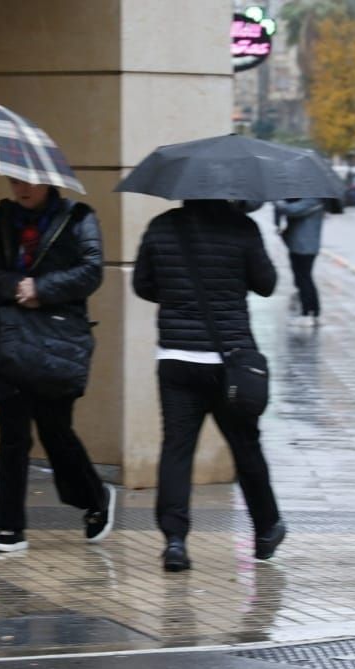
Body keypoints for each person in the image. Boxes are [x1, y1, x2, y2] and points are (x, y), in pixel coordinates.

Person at [132, 199, 285, 572]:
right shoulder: (241, 227)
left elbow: (143, 284)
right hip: (228, 362)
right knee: (245, 446)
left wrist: (177, 296)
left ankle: (174, 541)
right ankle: (266, 530)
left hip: (176, 359)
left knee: (177, 449)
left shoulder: (160, 226)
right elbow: (266, 285)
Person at [0, 179, 114, 553]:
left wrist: (43, 288)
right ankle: (9, 527)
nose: (21, 188)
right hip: (11, 337)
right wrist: (16, 285)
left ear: (49, 183)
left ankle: (96, 496)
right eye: (15, 181)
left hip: (57, 337)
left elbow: (91, 271)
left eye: (29, 183)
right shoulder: (1, 219)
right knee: (11, 432)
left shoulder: (78, 217)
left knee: (56, 431)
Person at [273, 197, 325, 326]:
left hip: (305, 246)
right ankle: (313, 311)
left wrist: (278, 202)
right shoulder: (305, 198)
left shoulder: (313, 199)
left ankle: (308, 312)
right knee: (302, 278)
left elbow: (293, 210)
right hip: (298, 244)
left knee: (304, 278)